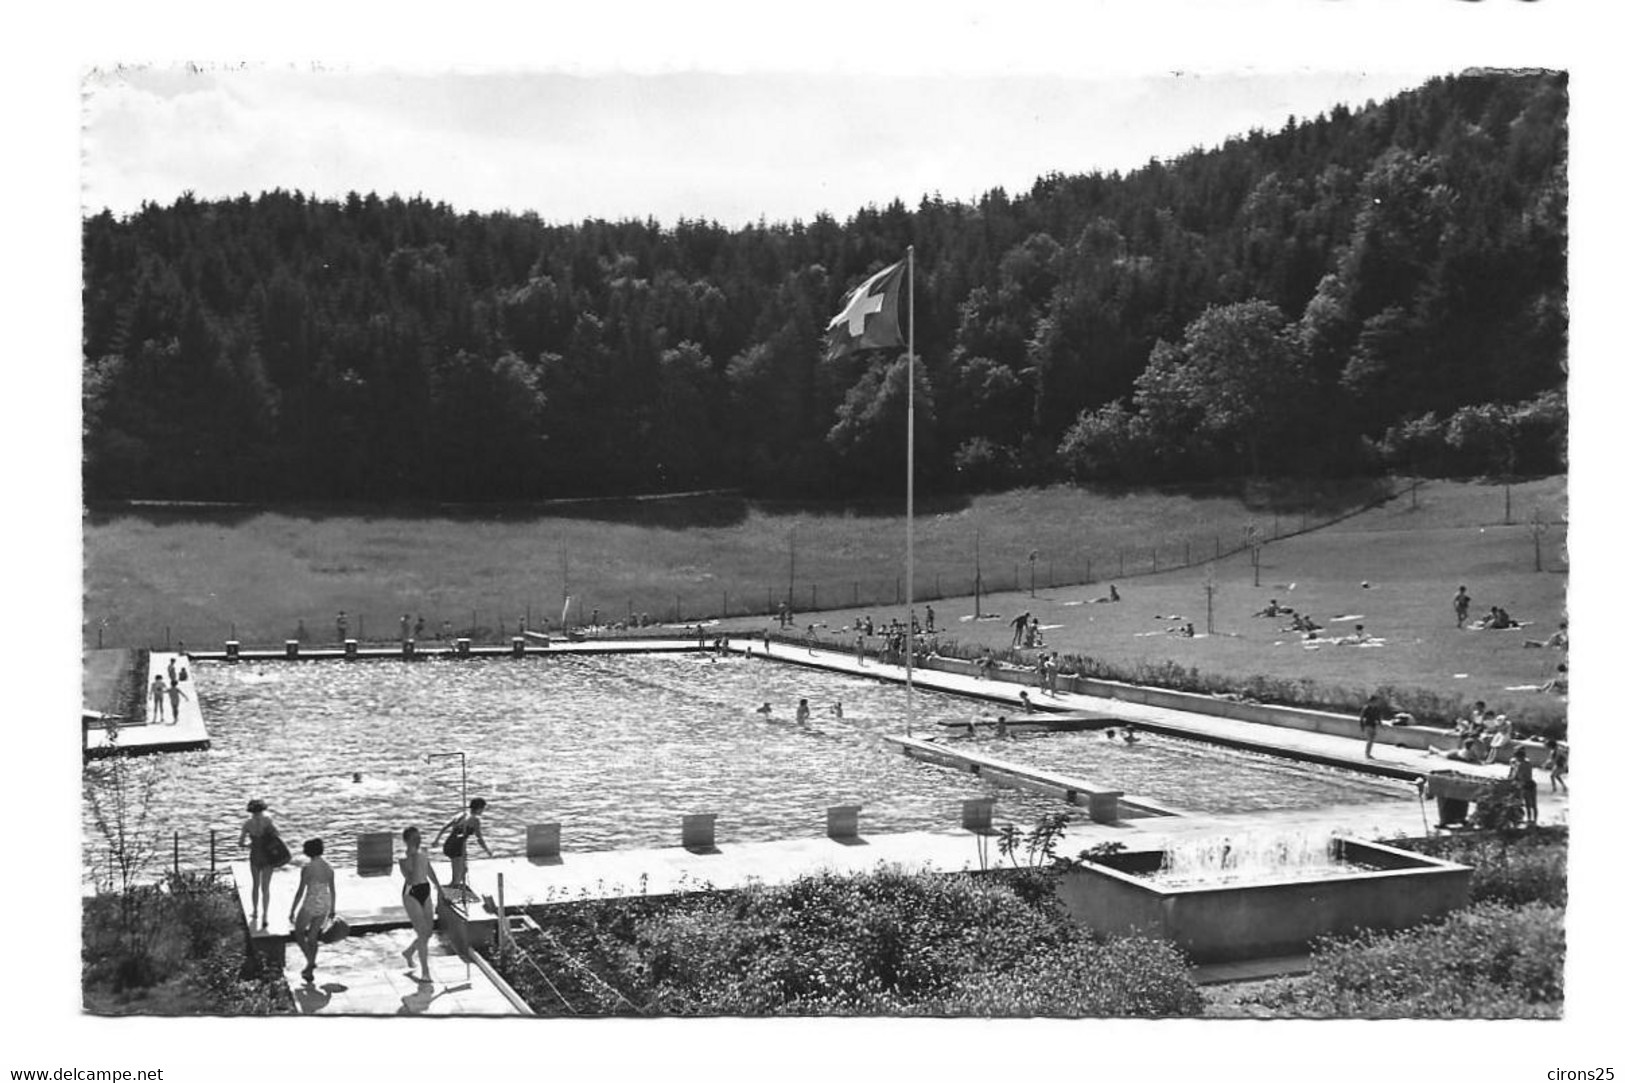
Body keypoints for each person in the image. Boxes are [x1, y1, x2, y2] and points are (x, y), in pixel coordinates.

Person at [287, 838, 336, 985]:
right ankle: (309, 968)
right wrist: (333, 909)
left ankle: (310, 960)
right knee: (313, 937)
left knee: (299, 932)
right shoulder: (329, 867)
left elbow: (301, 891)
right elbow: (333, 890)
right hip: (325, 902)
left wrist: (292, 910)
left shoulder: (307, 868)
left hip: (311, 902)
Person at [398, 826, 441, 984]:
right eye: (414, 838)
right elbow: (410, 878)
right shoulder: (403, 858)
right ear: (407, 840)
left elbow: (429, 870)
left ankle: (409, 952)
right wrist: (412, 858)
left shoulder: (423, 851)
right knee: (422, 932)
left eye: (419, 837)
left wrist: (439, 888)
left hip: (426, 890)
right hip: (411, 894)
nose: (418, 839)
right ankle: (425, 971)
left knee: (427, 933)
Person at [434, 798, 491, 893]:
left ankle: (453, 888)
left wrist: (437, 840)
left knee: (464, 870)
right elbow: (479, 839)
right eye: (483, 809)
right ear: (479, 808)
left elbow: (445, 827)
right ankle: (448, 895)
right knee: (457, 878)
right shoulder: (475, 820)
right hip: (456, 847)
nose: (483, 811)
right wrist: (487, 850)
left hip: (450, 844)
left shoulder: (462, 814)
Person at [238, 799, 278, 928]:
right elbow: (277, 834)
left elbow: (240, 843)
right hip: (267, 856)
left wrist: (250, 845)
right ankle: (265, 915)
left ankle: (255, 912)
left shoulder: (247, 824)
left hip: (255, 856)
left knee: (255, 885)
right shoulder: (268, 821)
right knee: (265, 888)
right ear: (263, 809)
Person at [1508, 747, 1537, 825]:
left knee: (1525, 803)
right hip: (1531, 783)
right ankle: (1534, 820)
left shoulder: (1519, 764)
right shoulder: (1528, 763)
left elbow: (1515, 776)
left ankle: (1528, 819)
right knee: (1533, 804)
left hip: (1524, 785)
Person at [1359, 695, 1384, 759]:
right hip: (1368, 725)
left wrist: (1381, 725)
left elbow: (1378, 718)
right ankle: (1367, 754)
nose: (1377, 703)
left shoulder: (1376, 709)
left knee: (1371, 740)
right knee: (1370, 739)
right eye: (1376, 701)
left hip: (1373, 725)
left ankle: (1368, 753)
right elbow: (1361, 718)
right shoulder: (1366, 708)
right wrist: (1362, 727)